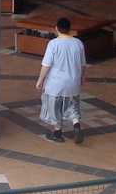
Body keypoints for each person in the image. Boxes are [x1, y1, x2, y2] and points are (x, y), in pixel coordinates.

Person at [36, 16, 87, 144]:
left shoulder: (53, 44)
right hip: (73, 82)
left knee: (54, 107)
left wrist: (40, 80)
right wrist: (81, 77)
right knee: (73, 105)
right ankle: (76, 125)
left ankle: (57, 134)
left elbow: (46, 65)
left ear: (57, 28)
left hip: (55, 84)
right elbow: (83, 65)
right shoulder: (78, 43)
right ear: (70, 29)